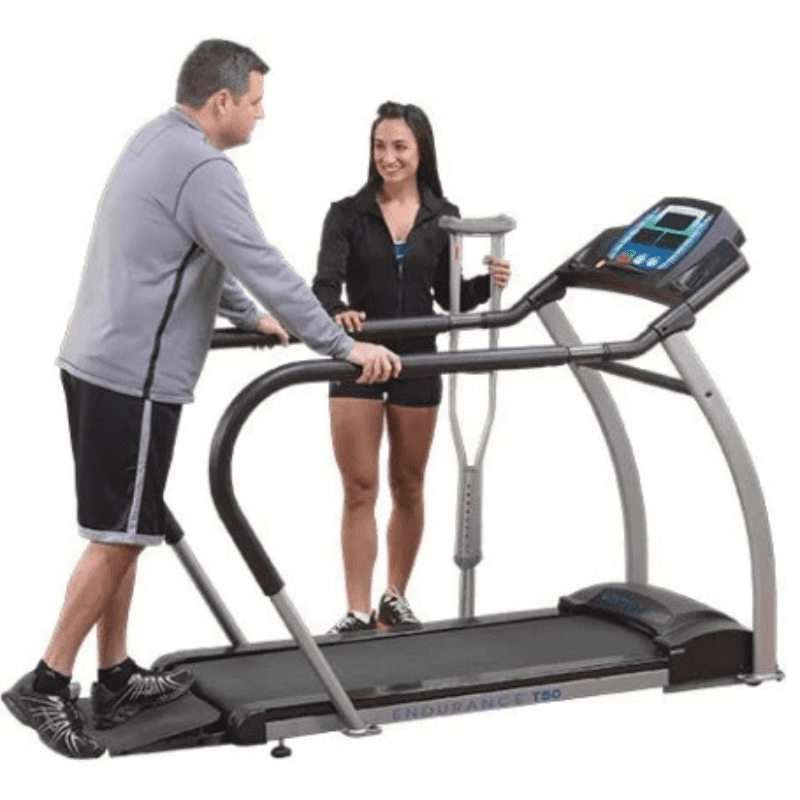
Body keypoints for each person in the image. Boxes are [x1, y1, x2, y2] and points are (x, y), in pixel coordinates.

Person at [2, 40, 400, 760]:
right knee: (117, 535)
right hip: (133, 376)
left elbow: (198, 253)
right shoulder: (206, 169)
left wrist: (249, 317)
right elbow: (259, 259)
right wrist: (341, 347)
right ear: (221, 101)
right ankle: (48, 681)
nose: (260, 115)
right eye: (255, 102)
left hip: (99, 360)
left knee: (129, 528)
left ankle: (115, 675)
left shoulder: (156, 140)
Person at [313, 102, 510, 634]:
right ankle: (357, 610)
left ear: (421, 152)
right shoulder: (347, 214)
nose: (388, 157)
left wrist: (487, 284)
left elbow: (448, 296)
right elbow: (323, 286)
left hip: (419, 358)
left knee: (409, 484)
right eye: (380, 146)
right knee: (360, 488)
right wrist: (338, 312)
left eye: (400, 146)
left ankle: (394, 597)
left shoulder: (442, 217)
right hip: (360, 359)